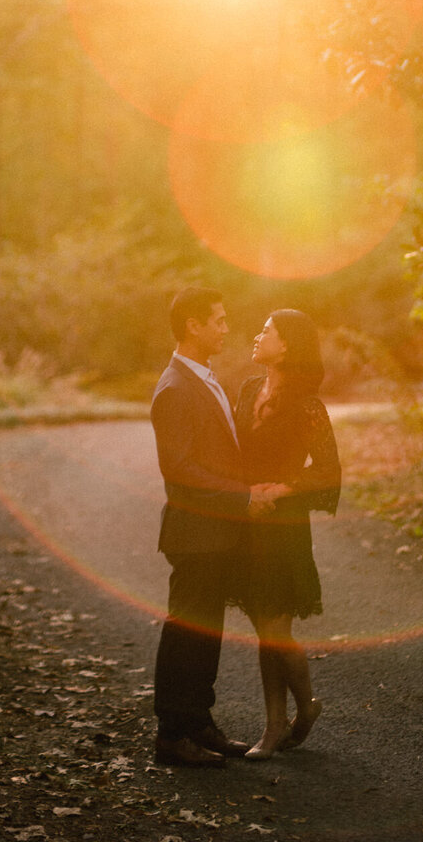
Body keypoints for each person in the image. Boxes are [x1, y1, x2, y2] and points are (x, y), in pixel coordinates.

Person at [150, 287, 277, 768]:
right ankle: (171, 735)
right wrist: (242, 497)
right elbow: (178, 471)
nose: (226, 328)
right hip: (193, 533)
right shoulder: (176, 388)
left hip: (215, 532)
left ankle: (199, 723)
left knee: (207, 633)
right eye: (218, 321)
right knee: (185, 632)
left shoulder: (203, 377)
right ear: (192, 326)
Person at [235, 309, 341, 760]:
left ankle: (304, 706)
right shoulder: (246, 390)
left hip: (284, 527)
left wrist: (281, 488)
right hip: (248, 523)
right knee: (264, 626)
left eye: (267, 332)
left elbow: (328, 472)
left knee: (276, 628)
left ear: (288, 346)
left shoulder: (307, 405)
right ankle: (279, 721)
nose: (257, 337)